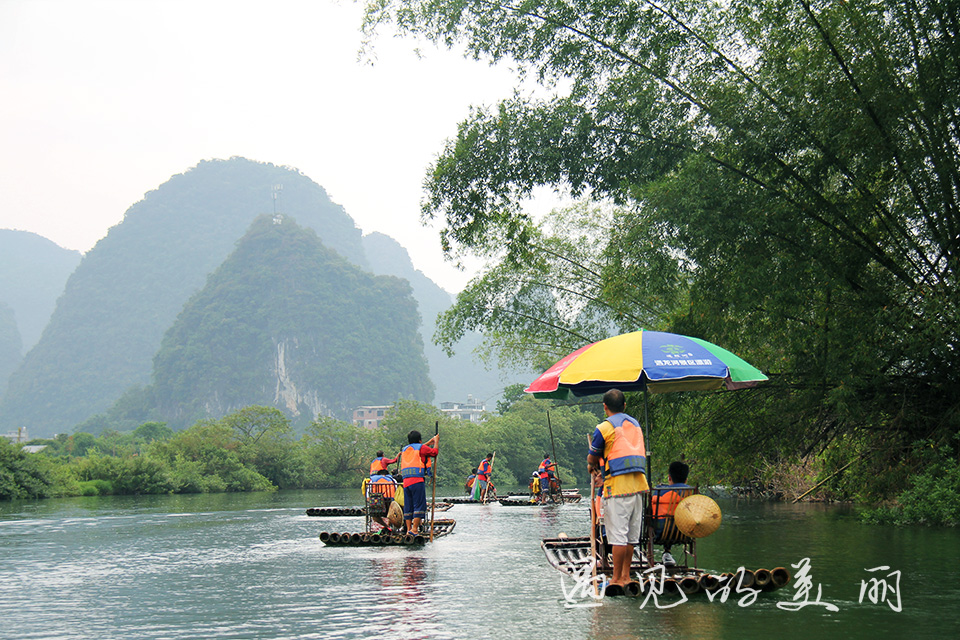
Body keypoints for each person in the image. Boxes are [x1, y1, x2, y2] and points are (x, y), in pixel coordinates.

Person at [586, 388, 649, 588]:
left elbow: (593, 455)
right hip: (638, 486)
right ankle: (626, 576)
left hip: (617, 489)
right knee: (631, 536)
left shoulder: (604, 428)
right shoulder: (635, 424)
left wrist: (591, 466)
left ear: (605, 407)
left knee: (618, 536)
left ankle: (615, 579)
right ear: (624, 406)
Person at [651, 460, 693, 566]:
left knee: (658, 517)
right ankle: (667, 552)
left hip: (659, 533)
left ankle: (665, 552)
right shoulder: (691, 493)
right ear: (686, 479)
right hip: (684, 532)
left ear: (669, 478)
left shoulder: (659, 491)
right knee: (675, 520)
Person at [400, 429, 439, 535]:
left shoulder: (405, 449)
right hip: (417, 480)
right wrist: (436, 441)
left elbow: (418, 448)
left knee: (409, 506)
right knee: (419, 505)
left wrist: (428, 443)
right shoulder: (421, 448)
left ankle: (409, 529)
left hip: (406, 481)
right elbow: (434, 453)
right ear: (420, 440)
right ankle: (415, 529)